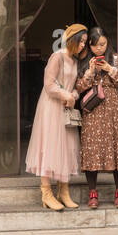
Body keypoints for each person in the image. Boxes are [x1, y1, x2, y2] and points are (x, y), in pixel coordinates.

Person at [25, 23, 86, 211]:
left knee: (66, 147)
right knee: (50, 146)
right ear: (72, 39)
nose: (83, 45)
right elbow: (48, 84)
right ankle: (46, 193)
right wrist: (65, 95)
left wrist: (73, 95)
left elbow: (74, 87)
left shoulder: (74, 61)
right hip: (52, 107)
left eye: (85, 42)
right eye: (81, 41)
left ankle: (63, 191)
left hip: (66, 109)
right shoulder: (57, 57)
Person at [73, 26, 118, 209]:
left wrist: (109, 69)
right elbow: (78, 87)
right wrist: (90, 73)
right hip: (93, 108)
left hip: (114, 106)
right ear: (89, 45)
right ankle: (93, 192)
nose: (100, 49)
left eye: (103, 44)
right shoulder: (83, 61)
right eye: (96, 45)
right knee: (92, 147)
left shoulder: (115, 58)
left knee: (117, 146)